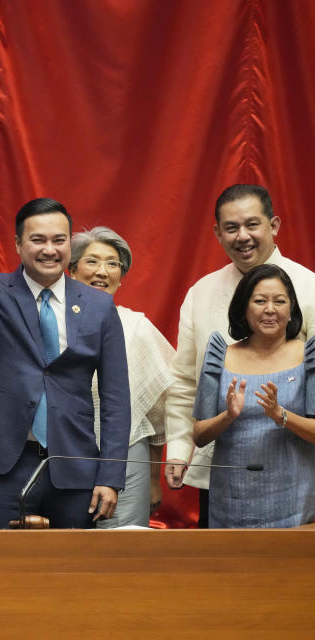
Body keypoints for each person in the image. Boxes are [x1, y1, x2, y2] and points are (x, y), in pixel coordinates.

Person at [0, 179, 130, 529]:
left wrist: (111, 475)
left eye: (59, 240)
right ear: (18, 244)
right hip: (5, 463)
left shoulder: (100, 306)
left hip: (75, 464)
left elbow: (116, 398)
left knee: (72, 572)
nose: (49, 250)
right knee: (1, 571)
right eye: (37, 240)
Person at [164, 184, 315, 526]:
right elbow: (185, 381)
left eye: (252, 224)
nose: (243, 236)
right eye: (231, 228)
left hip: (299, 472)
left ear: (273, 225)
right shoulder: (200, 294)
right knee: (226, 572)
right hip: (222, 472)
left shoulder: (308, 288)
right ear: (217, 233)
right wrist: (176, 446)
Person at [192, 264, 315, 527]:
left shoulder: (309, 356)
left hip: (294, 499)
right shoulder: (220, 356)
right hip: (231, 499)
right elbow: (200, 436)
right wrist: (228, 416)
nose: (270, 309)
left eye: (279, 301)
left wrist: (280, 415)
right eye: (260, 301)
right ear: (244, 307)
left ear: (291, 307)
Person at [69, 226, 175, 527]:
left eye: (113, 264)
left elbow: (157, 413)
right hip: (65, 455)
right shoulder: (52, 323)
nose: (102, 271)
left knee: (124, 554)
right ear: (72, 270)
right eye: (92, 261)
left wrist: (154, 479)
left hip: (128, 457)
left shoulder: (137, 327)